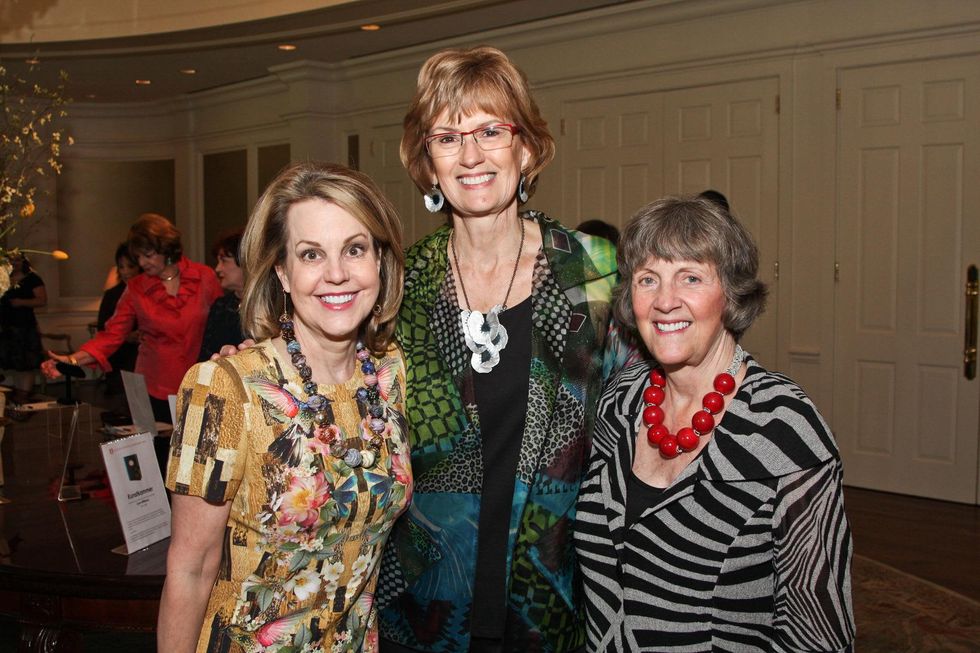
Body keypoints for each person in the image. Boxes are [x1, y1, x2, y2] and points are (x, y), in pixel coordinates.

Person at [377, 46, 635, 653]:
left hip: (555, 603)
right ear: (427, 162)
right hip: (424, 609)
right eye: (447, 137)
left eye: (491, 130)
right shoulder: (396, 288)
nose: (470, 155)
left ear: (526, 146)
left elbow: (643, 422)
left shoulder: (594, 276)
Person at [575, 196, 854, 652]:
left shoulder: (784, 427)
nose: (665, 301)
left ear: (731, 293)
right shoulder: (619, 401)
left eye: (691, 277)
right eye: (649, 279)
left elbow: (819, 634)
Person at [158, 162, 411, 653]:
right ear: (282, 272)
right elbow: (189, 570)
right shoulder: (226, 387)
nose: (336, 274)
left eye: (354, 249)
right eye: (311, 254)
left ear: (379, 260)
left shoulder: (389, 374)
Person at [42, 213, 222, 425]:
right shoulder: (136, 288)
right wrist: (72, 360)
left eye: (148, 254)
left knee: (194, 454)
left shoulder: (204, 277)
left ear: (166, 247)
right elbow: (111, 335)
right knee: (153, 453)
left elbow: (221, 326)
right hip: (149, 386)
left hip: (199, 384)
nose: (142, 262)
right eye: (138, 256)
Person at [0, 254, 47, 405]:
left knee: (26, 364)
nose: (14, 263)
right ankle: (17, 395)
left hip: (25, 326)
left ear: (24, 261)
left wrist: (21, 302)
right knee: (14, 364)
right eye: (11, 260)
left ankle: (23, 396)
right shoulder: (4, 278)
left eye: (17, 260)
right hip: (7, 327)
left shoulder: (32, 278)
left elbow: (42, 300)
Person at [96, 243, 141, 399]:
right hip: (119, 356)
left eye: (130, 266)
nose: (126, 272)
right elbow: (102, 327)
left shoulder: (150, 292)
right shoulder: (112, 295)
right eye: (121, 267)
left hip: (142, 357)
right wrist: (126, 336)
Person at [198, 229, 246, 361]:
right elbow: (205, 358)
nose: (218, 268)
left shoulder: (273, 306)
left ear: (245, 262)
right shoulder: (221, 306)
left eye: (224, 261)